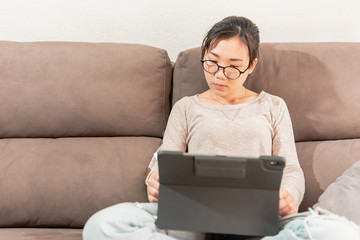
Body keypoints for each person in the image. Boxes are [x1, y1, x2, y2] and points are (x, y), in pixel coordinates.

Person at [82, 16, 359, 240]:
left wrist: (287, 197)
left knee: (341, 233)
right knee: (101, 225)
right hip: (191, 222)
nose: (218, 75)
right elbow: (165, 160)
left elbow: (291, 169)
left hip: (258, 223)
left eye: (232, 67)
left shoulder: (273, 106)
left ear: (251, 66)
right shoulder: (187, 108)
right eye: (212, 62)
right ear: (204, 54)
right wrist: (155, 180)